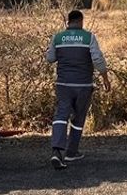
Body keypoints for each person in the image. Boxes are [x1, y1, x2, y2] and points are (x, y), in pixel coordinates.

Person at [44, 9, 110, 170]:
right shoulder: (89, 37)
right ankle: (71, 152)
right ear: (81, 21)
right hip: (83, 85)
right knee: (78, 119)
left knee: (61, 115)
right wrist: (105, 78)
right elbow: (97, 59)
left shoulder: (57, 37)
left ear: (68, 21)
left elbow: (50, 58)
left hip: (63, 85)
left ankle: (57, 151)